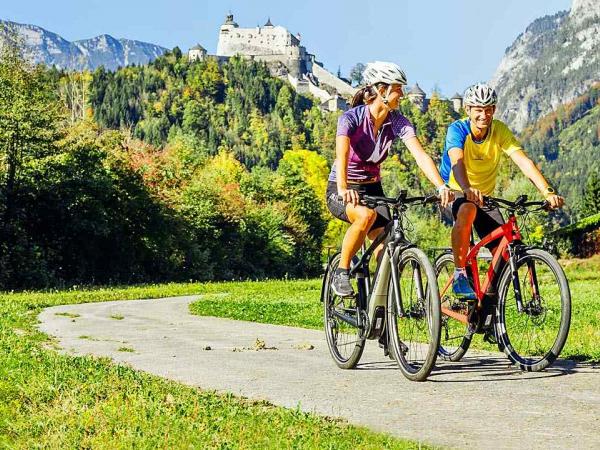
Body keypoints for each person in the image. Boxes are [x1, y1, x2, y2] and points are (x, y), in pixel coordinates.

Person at [326, 61, 454, 297]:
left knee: (386, 247)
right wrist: (344, 188)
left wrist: (440, 185)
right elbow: (341, 155)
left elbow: (420, 155)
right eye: (398, 88)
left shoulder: (397, 122)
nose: (402, 94)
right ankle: (341, 272)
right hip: (342, 186)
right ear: (381, 90)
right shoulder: (351, 118)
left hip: (373, 188)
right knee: (365, 216)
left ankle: (382, 308)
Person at [439, 83, 564, 300]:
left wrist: (548, 191)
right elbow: (457, 161)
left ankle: (489, 310)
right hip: (455, 191)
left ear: (494, 110)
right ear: (467, 109)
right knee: (467, 209)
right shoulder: (457, 129)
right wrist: (467, 188)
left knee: (504, 253)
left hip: (484, 197)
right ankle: (460, 276)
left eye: (488, 109)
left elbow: (523, 161)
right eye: (478, 109)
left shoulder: (499, 130)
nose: (483, 115)